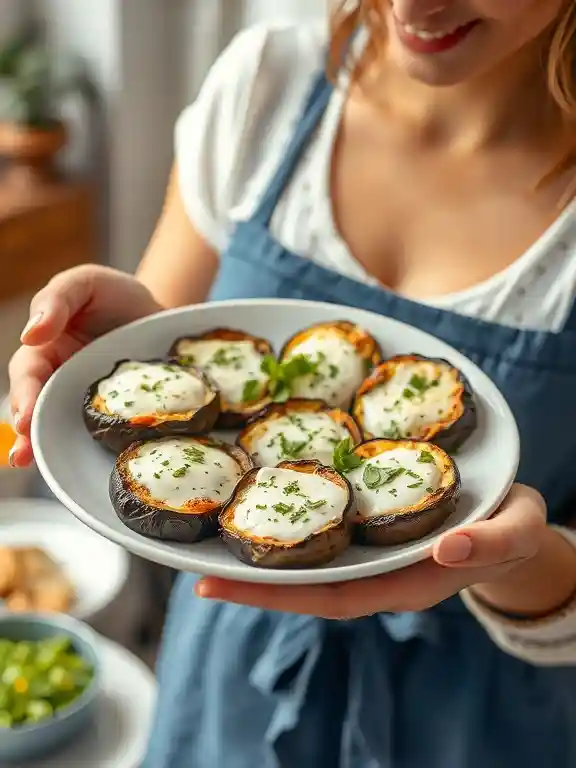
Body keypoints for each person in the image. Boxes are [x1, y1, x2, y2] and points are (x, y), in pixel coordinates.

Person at [8, 1, 576, 765]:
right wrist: (125, 342)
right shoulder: (265, 86)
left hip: (479, 721)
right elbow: (175, 375)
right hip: (228, 673)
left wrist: (522, 563)